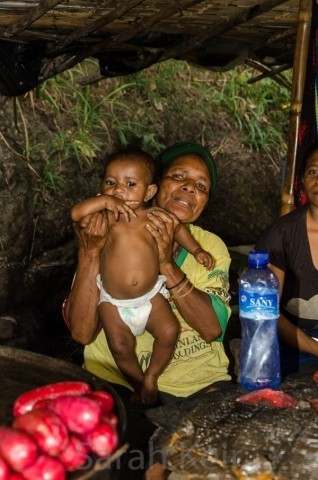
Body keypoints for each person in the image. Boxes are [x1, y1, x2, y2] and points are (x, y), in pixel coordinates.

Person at [64, 141, 232, 479]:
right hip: (118, 383)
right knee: (128, 461)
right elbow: (82, 333)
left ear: (146, 187)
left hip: (197, 385)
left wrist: (167, 264)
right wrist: (89, 255)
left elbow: (213, 329)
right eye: (179, 176)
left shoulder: (210, 246)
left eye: (201, 186)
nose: (189, 188)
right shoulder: (104, 228)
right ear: (157, 185)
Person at [70, 147, 215, 406]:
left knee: (169, 331)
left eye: (130, 183)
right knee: (119, 345)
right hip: (113, 302)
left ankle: (151, 377)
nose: (119, 190)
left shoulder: (154, 216)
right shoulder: (102, 222)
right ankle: (139, 384)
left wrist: (197, 251)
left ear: (149, 191)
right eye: (111, 183)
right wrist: (103, 206)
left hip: (151, 297)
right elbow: (76, 213)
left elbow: (179, 230)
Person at [255, 142, 318, 376]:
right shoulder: (281, 235)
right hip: (295, 342)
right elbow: (266, 311)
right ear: (302, 179)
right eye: (313, 171)